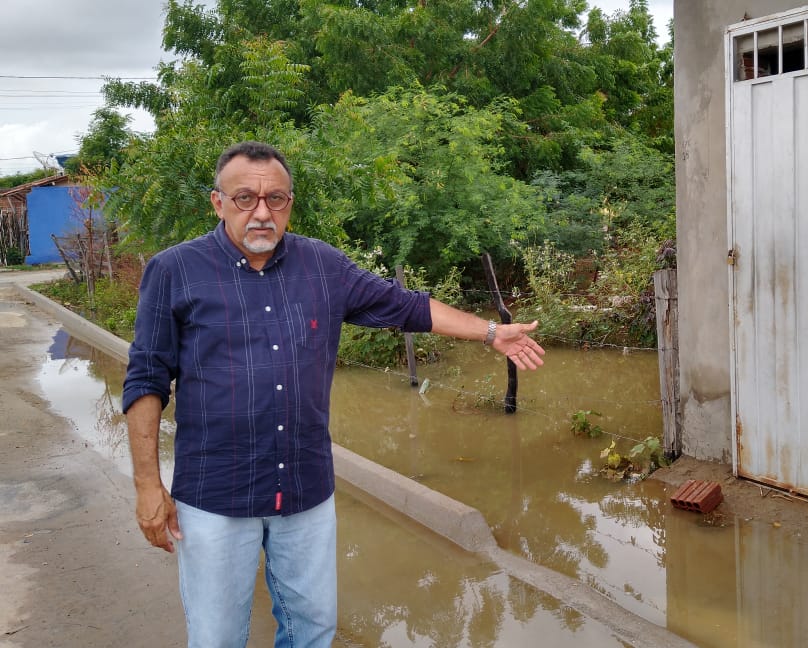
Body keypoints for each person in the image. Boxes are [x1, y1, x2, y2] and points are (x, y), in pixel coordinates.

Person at [122, 140, 544, 648]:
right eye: (244, 199)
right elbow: (147, 378)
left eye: (275, 199)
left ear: (289, 205)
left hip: (304, 491)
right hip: (216, 495)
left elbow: (406, 306)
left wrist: (491, 334)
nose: (261, 212)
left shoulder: (322, 266)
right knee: (216, 638)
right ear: (218, 203)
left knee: (313, 630)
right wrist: (148, 485)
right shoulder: (174, 271)